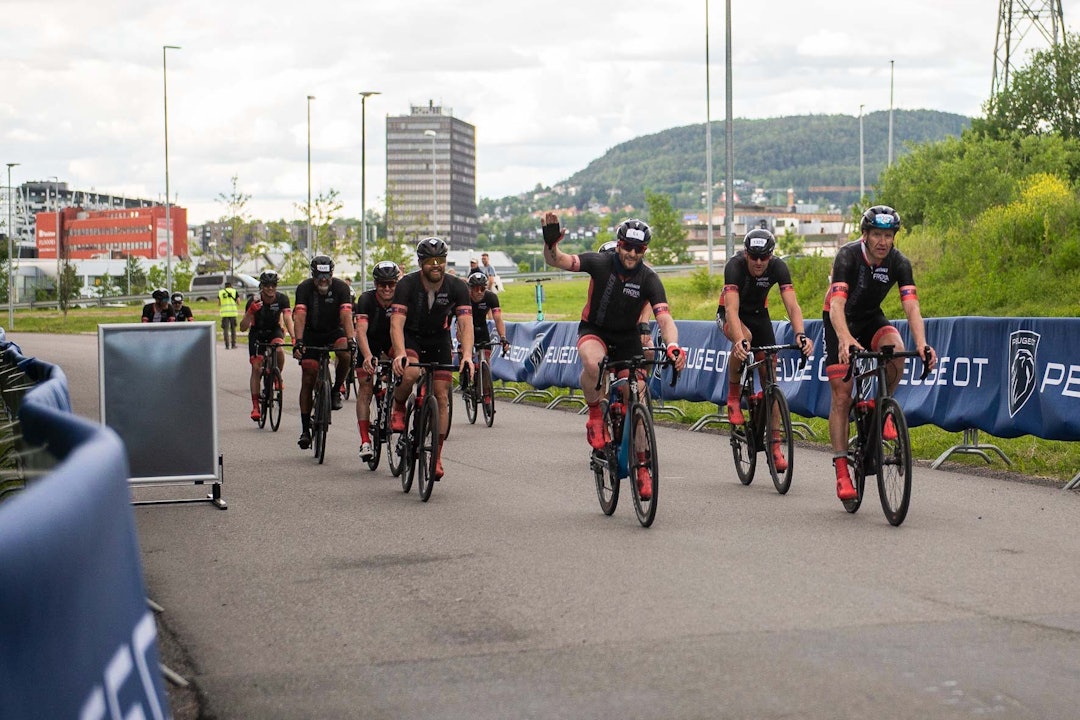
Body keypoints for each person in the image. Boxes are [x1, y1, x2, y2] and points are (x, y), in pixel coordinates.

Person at [542, 212, 686, 501]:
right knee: (593, 363)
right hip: (594, 330)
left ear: (644, 250)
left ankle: (642, 465)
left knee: (640, 395)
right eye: (627, 247)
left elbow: (666, 319)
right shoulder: (600, 263)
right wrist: (551, 244)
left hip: (627, 338)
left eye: (639, 249)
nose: (632, 253)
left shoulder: (649, 278)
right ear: (619, 244)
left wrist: (673, 345)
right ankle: (595, 415)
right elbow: (558, 261)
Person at [824, 205, 936, 501]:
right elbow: (836, 306)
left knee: (896, 352)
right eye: (876, 234)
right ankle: (841, 470)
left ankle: (880, 406)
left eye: (888, 235)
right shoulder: (847, 256)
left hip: (871, 316)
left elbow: (911, 306)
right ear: (865, 235)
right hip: (839, 319)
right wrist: (845, 338)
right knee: (842, 395)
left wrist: (922, 344)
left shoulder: (899, 262)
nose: (882, 242)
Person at [716, 228, 814, 472]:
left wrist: (800, 334)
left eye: (764, 257)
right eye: (754, 256)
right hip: (730, 314)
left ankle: (775, 446)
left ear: (771, 255)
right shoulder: (735, 266)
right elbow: (731, 311)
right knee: (745, 339)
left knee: (771, 376)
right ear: (746, 254)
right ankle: (733, 396)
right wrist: (739, 341)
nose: (759, 262)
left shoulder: (778, 267)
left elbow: (792, 306)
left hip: (760, 315)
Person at [389, 237, 474, 480]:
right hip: (412, 337)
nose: (436, 265)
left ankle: (436, 456)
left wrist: (467, 356)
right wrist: (400, 353)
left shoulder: (457, 286)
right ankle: (398, 406)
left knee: (442, 396)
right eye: (430, 261)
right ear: (420, 263)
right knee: (411, 373)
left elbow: (466, 325)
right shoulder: (406, 285)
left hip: (439, 340)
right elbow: (396, 324)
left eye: (441, 260)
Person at [292, 255, 356, 449]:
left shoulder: (341, 288)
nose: (323, 279)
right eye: (319, 275)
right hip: (311, 334)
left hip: (333, 331)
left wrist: (351, 340)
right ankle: (305, 429)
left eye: (326, 275)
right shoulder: (304, 288)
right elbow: (300, 316)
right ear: (313, 274)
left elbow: (346, 314)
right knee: (308, 377)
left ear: (332, 274)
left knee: (345, 353)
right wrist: (299, 342)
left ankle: (337, 389)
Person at [354, 261, 400, 461]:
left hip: (391, 344)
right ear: (375, 284)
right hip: (369, 345)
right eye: (382, 284)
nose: (387, 289)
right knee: (365, 388)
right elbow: (360, 332)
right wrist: (366, 356)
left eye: (391, 284)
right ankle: (365, 441)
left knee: (402, 376)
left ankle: (389, 401)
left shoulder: (402, 299)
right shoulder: (365, 299)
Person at [240, 270, 294, 422]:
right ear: (261, 286)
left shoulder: (282, 298)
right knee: (256, 368)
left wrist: (295, 337)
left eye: (273, 285)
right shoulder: (254, 300)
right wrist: (250, 313)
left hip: (274, 331)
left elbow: (288, 318)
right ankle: (256, 405)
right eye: (267, 286)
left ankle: (277, 376)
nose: (270, 289)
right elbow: (243, 327)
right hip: (257, 333)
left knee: (279, 350)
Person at [463, 271, 510, 403]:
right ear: (470, 289)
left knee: (486, 362)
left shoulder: (491, 297)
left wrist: (503, 337)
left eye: (482, 288)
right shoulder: (464, 298)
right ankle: (465, 380)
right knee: (465, 354)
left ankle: (486, 392)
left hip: (481, 328)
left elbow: (498, 319)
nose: (479, 292)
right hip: (465, 327)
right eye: (476, 289)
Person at [218, 283, 240, 348]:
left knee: (225, 330)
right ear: (231, 286)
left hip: (224, 314)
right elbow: (239, 302)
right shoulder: (234, 291)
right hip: (233, 313)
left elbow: (219, 303)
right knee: (233, 329)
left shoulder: (221, 292)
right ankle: (233, 344)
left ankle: (227, 345)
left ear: (225, 286)